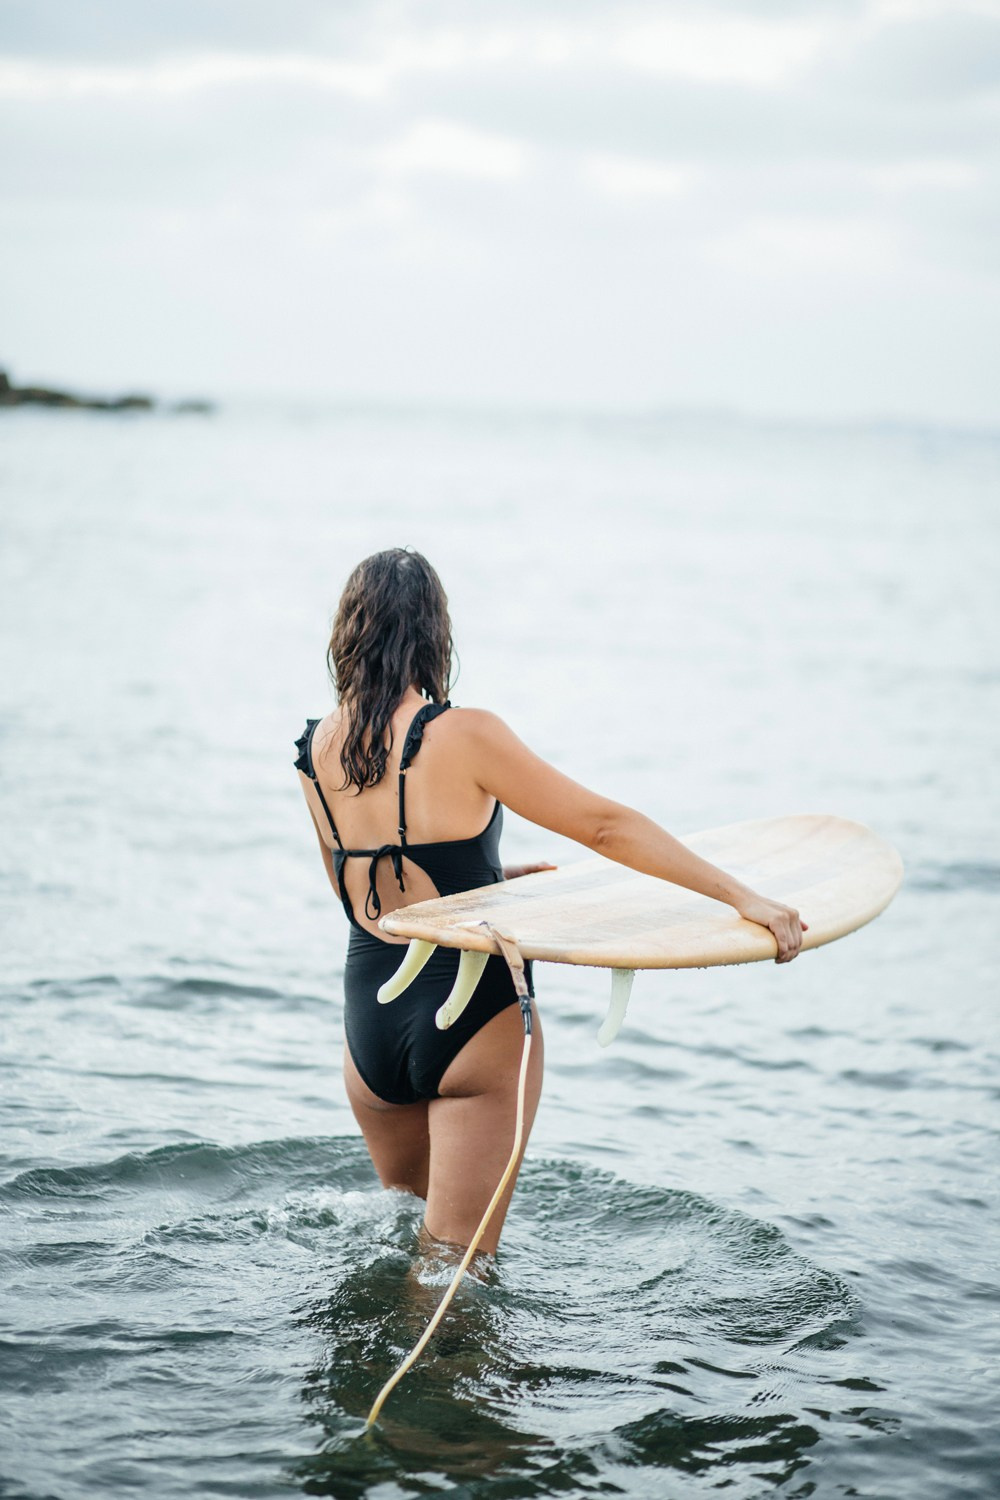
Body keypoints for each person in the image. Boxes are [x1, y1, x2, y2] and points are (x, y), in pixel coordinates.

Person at [296, 548, 805, 1258]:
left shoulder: (317, 747)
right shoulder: (464, 732)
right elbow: (604, 826)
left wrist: (482, 874)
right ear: (432, 633)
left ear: (349, 631)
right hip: (468, 1016)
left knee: (401, 1246)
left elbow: (363, 898)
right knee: (456, 1271)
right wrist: (743, 895)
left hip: (370, 1018)